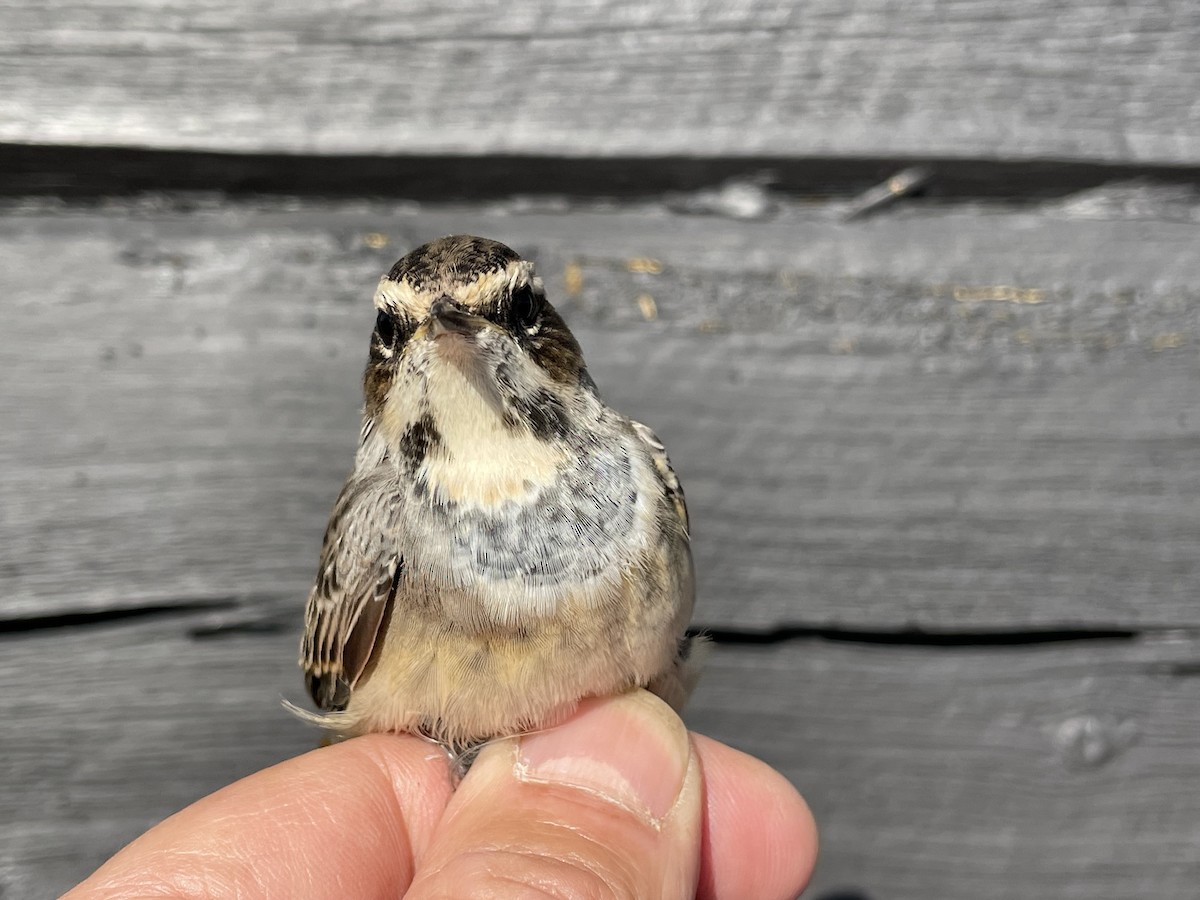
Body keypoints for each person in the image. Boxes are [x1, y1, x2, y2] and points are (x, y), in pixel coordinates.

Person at [65, 691, 816, 898]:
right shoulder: (382, 514)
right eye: (397, 333)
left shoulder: (646, 477)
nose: (455, 335)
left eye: (514, 312)